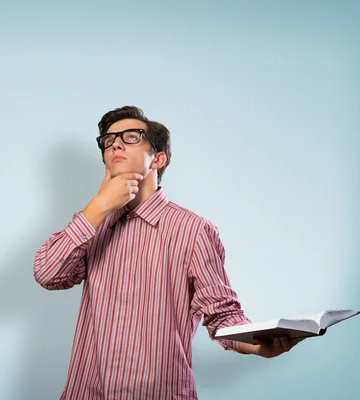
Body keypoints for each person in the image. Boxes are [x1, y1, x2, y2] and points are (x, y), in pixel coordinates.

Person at [33, 106, 302, 399]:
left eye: (131, 137)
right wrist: (98, 207)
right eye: (108, 140)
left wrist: (254, 344)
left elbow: (221, 312)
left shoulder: (194, 230)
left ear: (158, 158)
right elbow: (48, 274)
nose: (116, 144)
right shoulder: (91, 222)